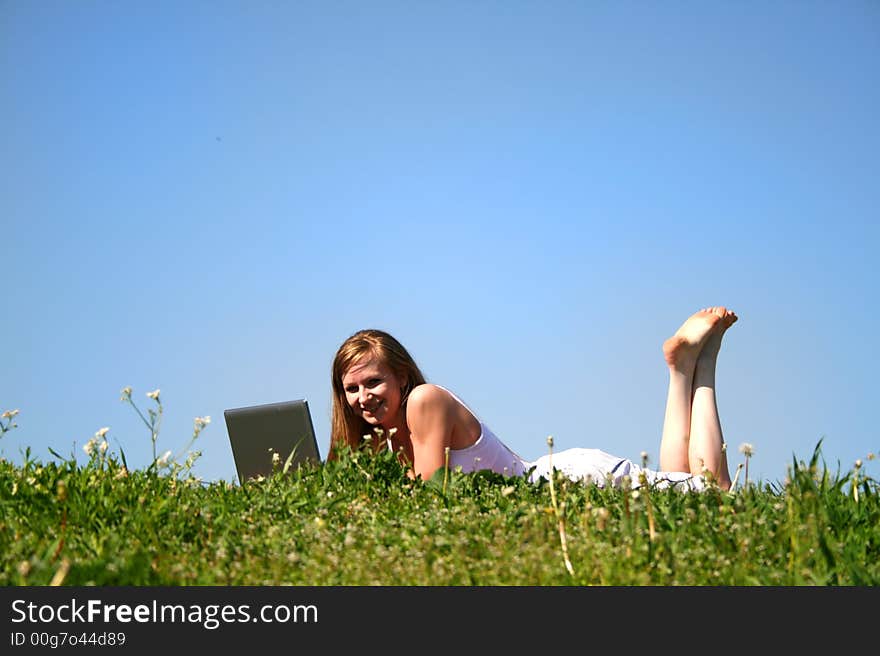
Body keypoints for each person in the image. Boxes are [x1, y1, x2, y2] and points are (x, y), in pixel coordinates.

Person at [328, 306, 738, 491]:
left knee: (714, 492)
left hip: (568, 482)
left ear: (401, 376)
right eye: (352, 388)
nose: (363, 397)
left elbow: (432, 494)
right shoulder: (375, 445)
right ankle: (681, 369)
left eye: (374, 383)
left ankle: (705, 364)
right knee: (682, 487)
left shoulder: (423, 401)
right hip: (557, 482)